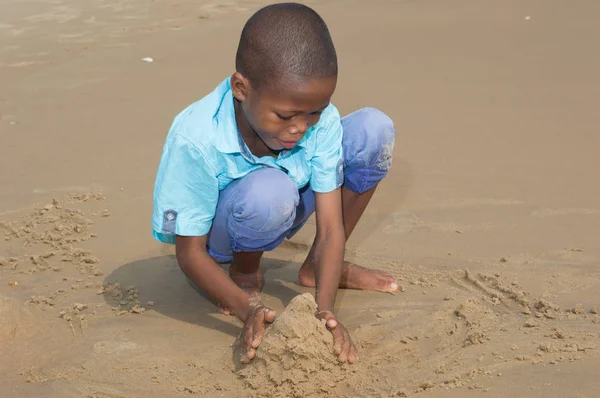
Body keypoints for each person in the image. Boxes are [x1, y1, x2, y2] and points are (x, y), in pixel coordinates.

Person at [152, 2, 398, 365]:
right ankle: (244, 273)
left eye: (315, 111)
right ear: (241, 88)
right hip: (226, 232)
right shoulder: (196, 137)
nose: (301, 127)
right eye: (285, 115)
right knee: (270, 191)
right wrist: (246, 309)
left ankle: (315, 268)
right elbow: (189, 253)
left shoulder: (318, 120)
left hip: (285, 203)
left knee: (373, 130)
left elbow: (331, 228)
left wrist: (325, 312)